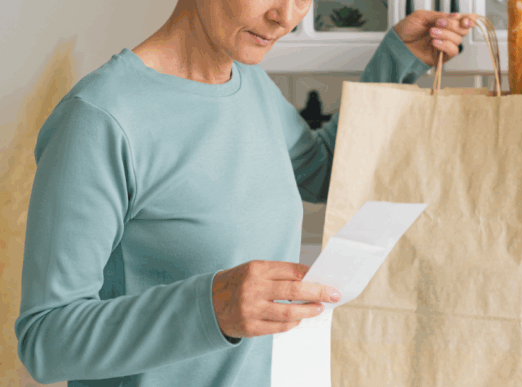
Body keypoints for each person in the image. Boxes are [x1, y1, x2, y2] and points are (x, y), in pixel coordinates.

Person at [14, 0, 475, 386]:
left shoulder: (248, 81)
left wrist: (397, 59)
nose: (287, 17)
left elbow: (320, 173)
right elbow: (45, 340)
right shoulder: (100, 119)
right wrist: (212, 306)